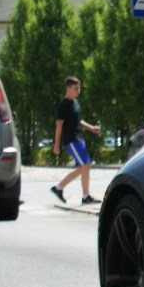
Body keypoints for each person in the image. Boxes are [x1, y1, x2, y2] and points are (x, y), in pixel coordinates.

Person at [51, 76, 102, 205]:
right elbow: (59, 125)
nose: (78, 90)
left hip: (79, 138)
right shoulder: (63, 104)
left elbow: (78, 121)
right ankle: (85, 196)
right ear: (68, 88)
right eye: (76, 88)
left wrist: (91, 128)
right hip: (71, 140)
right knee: (86, 165)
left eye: (79, 88)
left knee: (83, 167)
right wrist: (56, 145)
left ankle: (59, 188)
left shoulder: (75, 103)